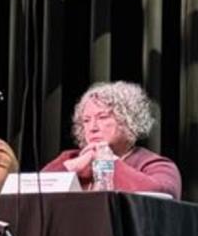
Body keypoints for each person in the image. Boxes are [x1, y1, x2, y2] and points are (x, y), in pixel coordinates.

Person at [41, 81, 181, 199]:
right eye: (86, 120)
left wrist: (109, 162)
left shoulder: (155, 165)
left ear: (128, 121)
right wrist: (72, 167)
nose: (92, 127)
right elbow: (33, 192)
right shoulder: (70, 158)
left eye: (102, 117)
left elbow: (162, 195)